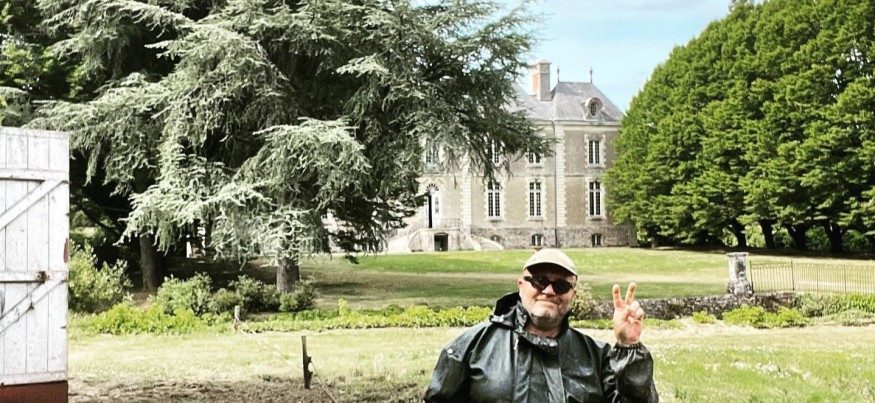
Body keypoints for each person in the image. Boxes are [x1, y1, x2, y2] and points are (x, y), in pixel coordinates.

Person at [424, 248, 658, 403]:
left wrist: (629, 346)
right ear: (521, 286)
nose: (548, 291)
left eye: (561, 286)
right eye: (539, 281)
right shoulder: (472, 347)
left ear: (573, 295)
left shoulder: (597, 357)